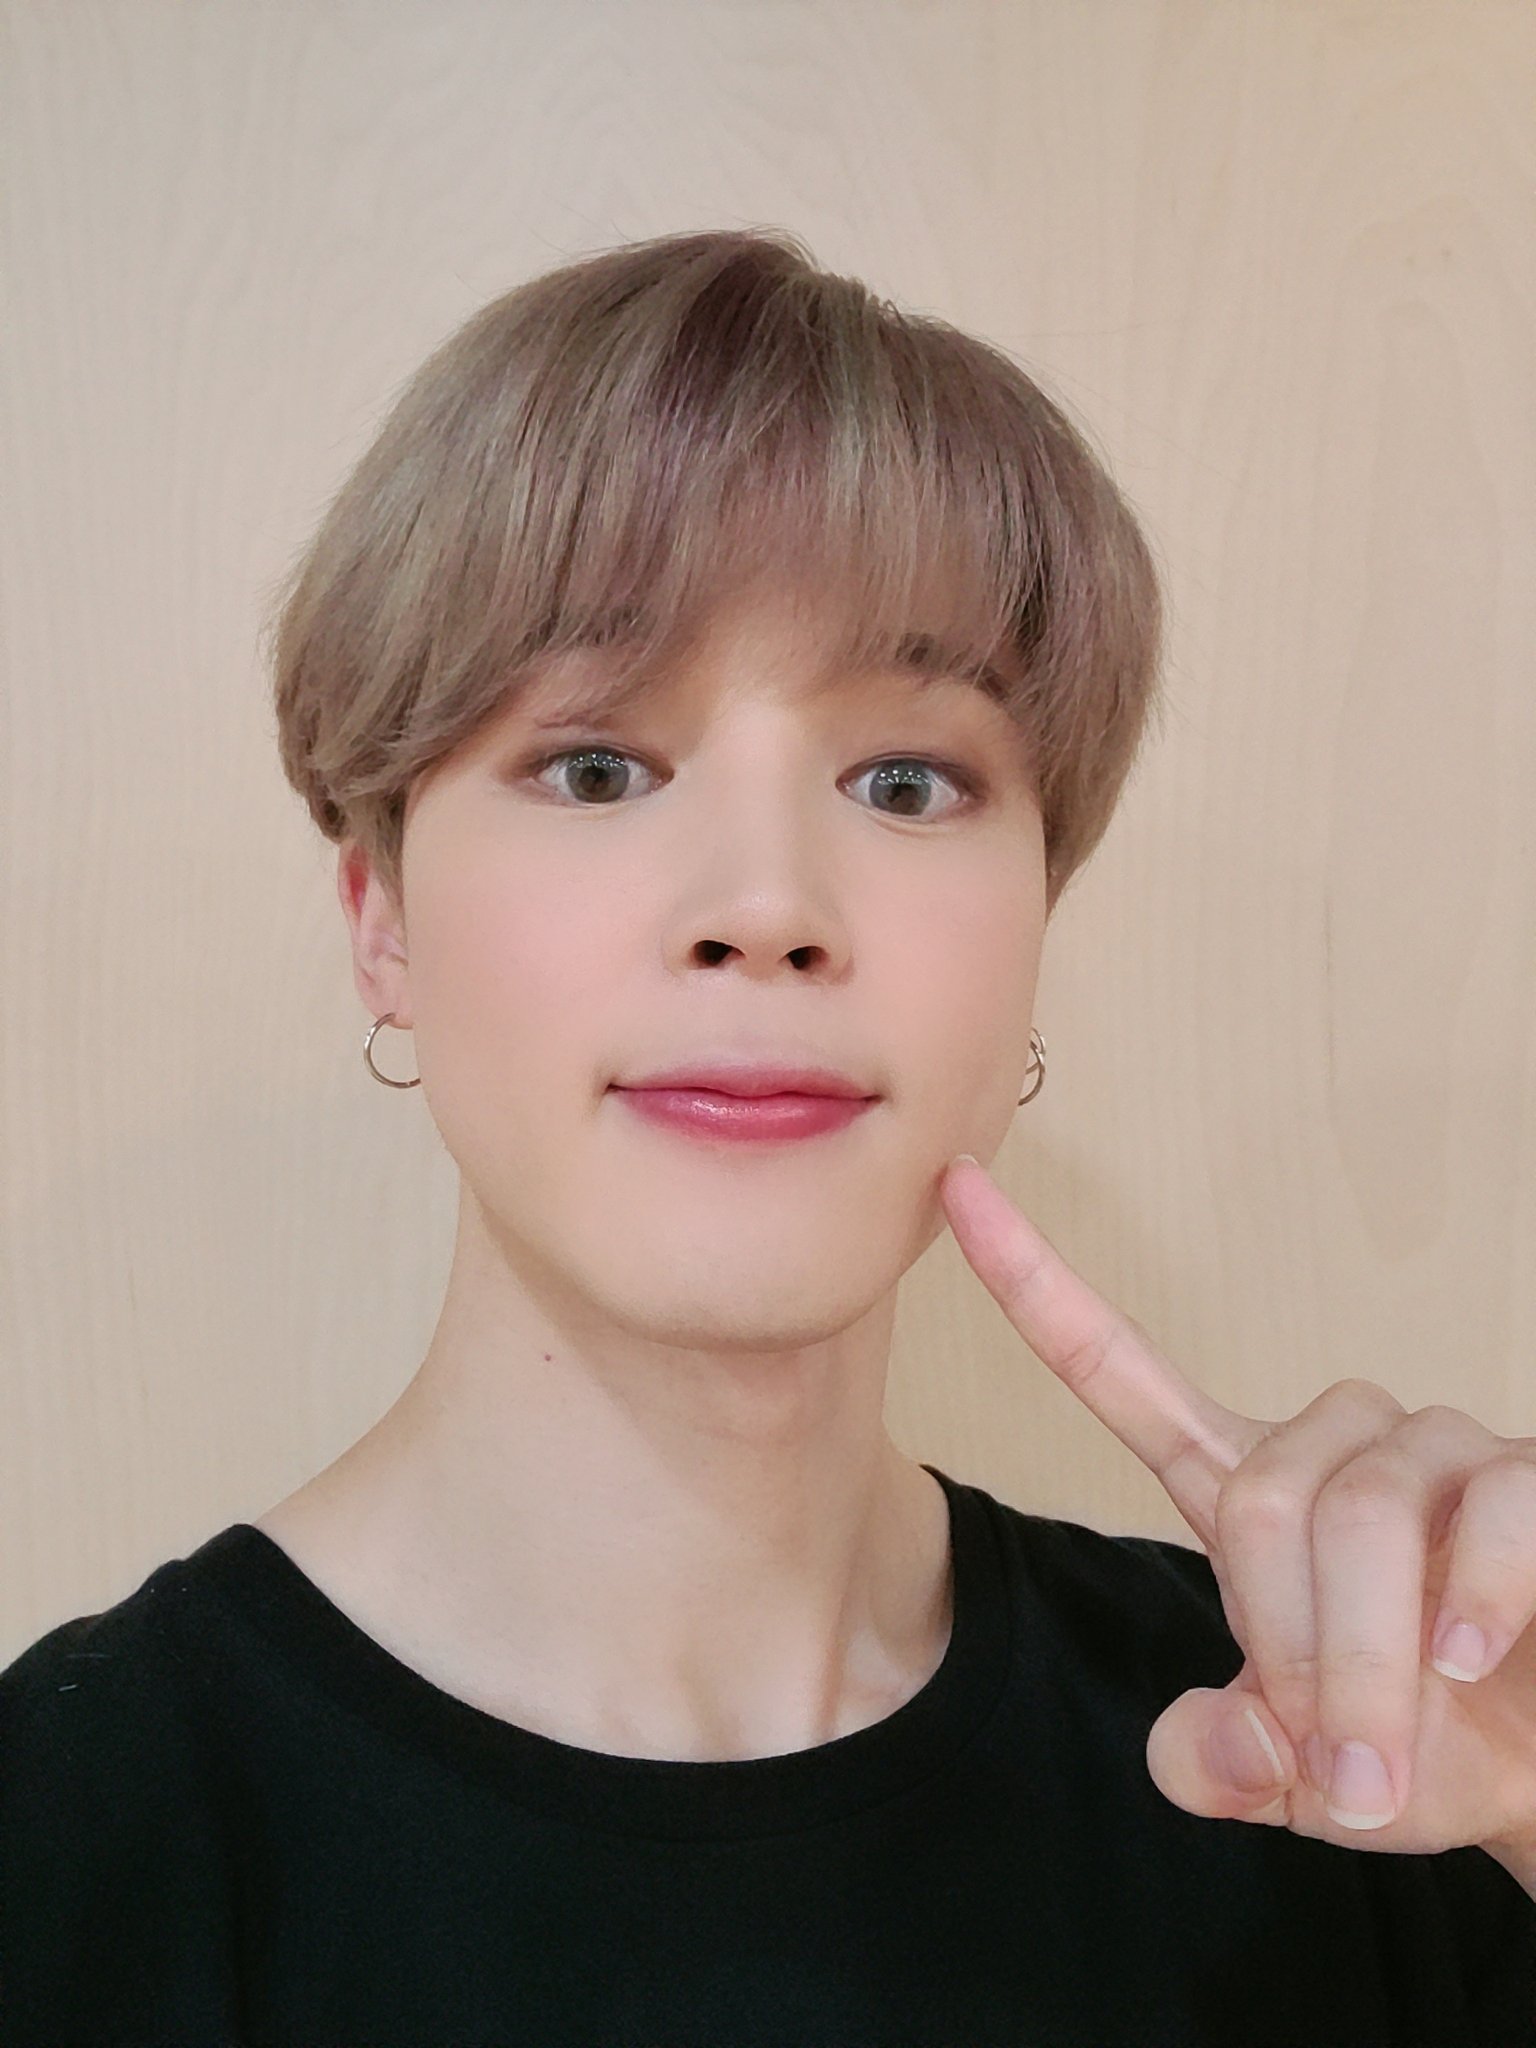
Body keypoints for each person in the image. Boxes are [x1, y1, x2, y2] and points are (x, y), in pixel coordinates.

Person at [2, 226, 1531, 2046]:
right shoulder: (71, 1842)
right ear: (381, 921)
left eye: (907, 781)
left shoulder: (1342, 1759)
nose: (766, 906)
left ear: (1035, 926)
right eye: (596, 766)